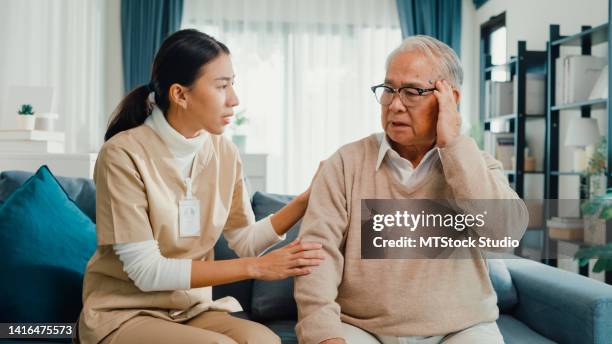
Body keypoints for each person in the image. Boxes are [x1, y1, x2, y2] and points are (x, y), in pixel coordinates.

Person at [78, 29, 324, 344]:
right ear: (180, 94)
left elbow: (245, 240)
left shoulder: (224, 153)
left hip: (189, 309)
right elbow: (146, 271)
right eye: (222, 86)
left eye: (232, 83)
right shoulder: (123, 155)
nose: (234, 99)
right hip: (125, 313)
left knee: (266, 341)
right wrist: (256, 268)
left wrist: (306, 199)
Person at [294, 35, 528, 344]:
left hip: (463, 328)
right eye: (388, 90)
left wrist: (454, 145)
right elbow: (316, 258)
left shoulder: (478, 165)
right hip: (360, 328)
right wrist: (324, 335)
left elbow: (504, 235)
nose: (395, 105)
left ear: (449, 98)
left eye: (412, 92)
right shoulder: (344, 163)